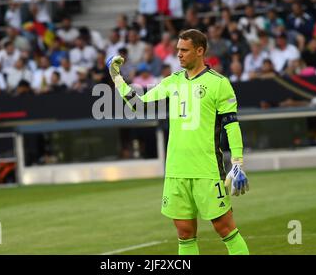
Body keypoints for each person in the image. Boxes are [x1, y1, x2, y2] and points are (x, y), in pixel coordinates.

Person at [106, 29, 249, 255]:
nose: (179, 55)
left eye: (184, 50)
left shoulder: (219, 83)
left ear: (200, 51)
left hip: (207, 170)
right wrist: (117, 78)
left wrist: (238, 161)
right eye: (178, 50)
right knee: (184, 234)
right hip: (175, 170)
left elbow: (232, 125)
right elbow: (139, 104)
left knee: (225, 228)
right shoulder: (171, 81)